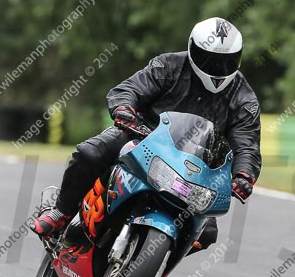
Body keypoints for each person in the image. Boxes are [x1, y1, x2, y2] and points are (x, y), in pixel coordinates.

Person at [31, 17, 262, 249]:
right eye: (209, 59)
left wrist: (244, 175)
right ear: (192, 48)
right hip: (143, 136)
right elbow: (131, 88)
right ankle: (61, 211)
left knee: (207, 233)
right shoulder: (169, 65)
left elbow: (247, 144)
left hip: (196, 168)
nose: (217, 69)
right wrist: (124, 108)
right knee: (90, 152)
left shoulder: (244, 99)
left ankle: (154, 265)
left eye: (226, 61)